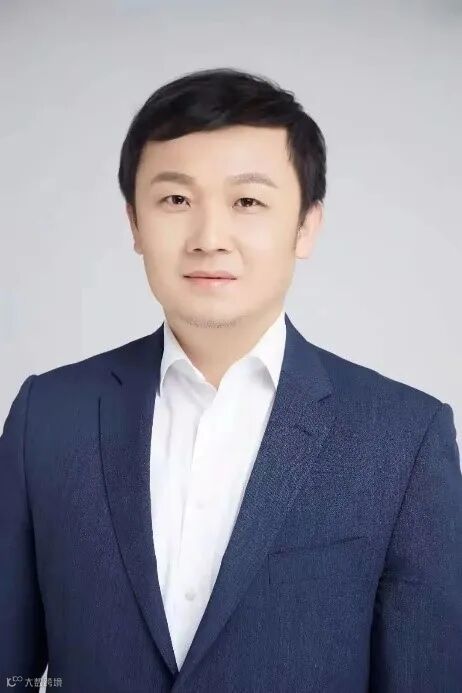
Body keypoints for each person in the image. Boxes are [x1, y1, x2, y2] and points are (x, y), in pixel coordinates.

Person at [1, 67, 461, 692]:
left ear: (306, 226)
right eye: (175, 200)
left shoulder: (403, 437)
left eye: (247, 202)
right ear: (134, 222)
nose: (209, 239)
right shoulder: (48, 416)